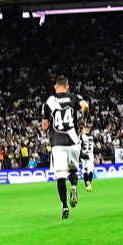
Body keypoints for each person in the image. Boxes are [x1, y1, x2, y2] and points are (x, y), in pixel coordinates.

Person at [42, 78, 87, 219]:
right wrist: (84, 120)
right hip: (73, 141)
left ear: (55, 86)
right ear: (67, 86)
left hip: (58, 143)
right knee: (73, 169)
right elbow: (85, 106)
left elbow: (44, 126)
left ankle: (65, 206)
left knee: (61, 174)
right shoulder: (73, 97)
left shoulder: (49, 101)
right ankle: (73, 185)